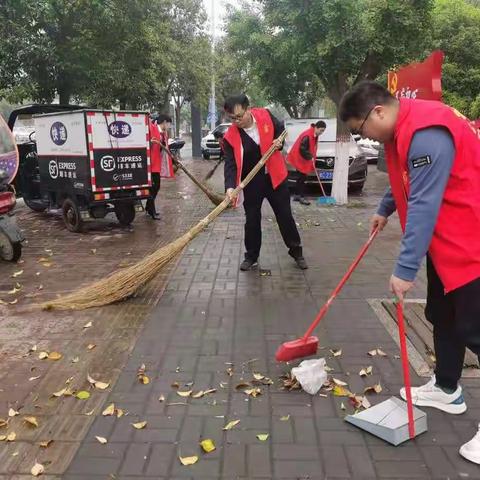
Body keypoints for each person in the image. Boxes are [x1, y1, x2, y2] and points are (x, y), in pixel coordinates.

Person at [339, 80, 480, 464]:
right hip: (447, 244)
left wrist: (404, 268)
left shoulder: (427, 132)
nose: (361, 136)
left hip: (471, 243)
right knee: (443, 316)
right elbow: (408, 178)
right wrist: (384, 207)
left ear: (378, 113)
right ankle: (448, 388)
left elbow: (424, 201)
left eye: (359, 128)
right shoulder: (403, 129)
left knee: (474, 329)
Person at [223, 94, 307, 271]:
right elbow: (230, 165)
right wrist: (230, 187)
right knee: (252, 220)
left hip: (275, 177)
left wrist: (279, 141)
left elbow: (280, 129)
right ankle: (251, 256)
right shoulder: (230, 136)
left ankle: (296, 251)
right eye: (232, 118)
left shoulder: (265, 115)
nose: (237, 121)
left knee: (285, 216)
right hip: (252, 182)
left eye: (240, 116)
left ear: (248, 108)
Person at [287, 120, 326, 205]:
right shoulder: (308, 135)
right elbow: (302, 148)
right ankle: (301, 197)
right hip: (299, 158)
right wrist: (310, 157)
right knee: (302, 178)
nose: (322, 132)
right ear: (316, 128)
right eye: (321, 130)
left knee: (300, 178)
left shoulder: (314, 134)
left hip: (302, 158)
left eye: (323, 131)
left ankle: (297, 195)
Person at [146, 114, 174, 220]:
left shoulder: (163, 134)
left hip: (156, 164)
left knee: (155, 187)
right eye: (169, 124)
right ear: (164, 122)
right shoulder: (153, 128)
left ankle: (149, 208)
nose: (169, 126)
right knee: (154, 187)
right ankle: (151, 210)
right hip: (150, 165)